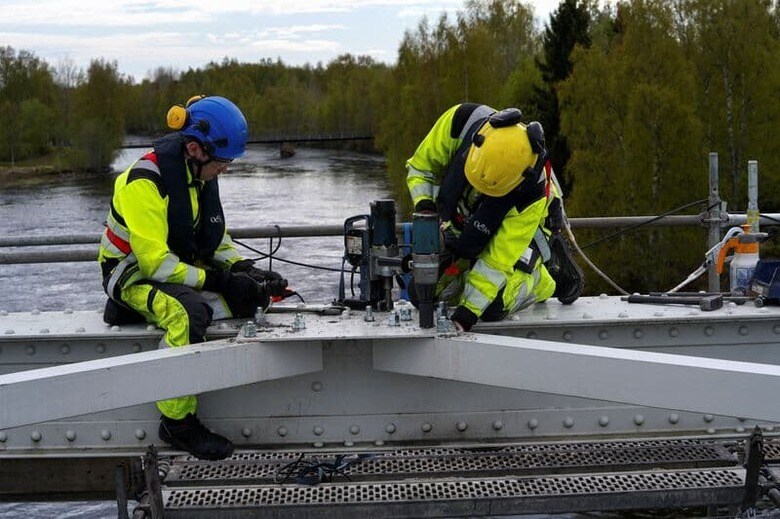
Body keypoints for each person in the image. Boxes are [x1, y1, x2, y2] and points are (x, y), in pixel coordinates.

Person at [98, 95, 289, 460]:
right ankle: (177, 424)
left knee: (251, 295)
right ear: (194, 149)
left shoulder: (197, 176)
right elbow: (154, 264)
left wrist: (244, 270)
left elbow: (214, 240)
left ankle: (145, 314)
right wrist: (216, 282)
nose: (225, 170)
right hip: (131, 274)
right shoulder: (144, 182)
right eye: (221, 163)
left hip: (175, 265)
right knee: (188, 315)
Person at [406, 103, 584, 332]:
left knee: (492, 307)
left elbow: (496, 262)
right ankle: (467, 277)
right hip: (467, 222)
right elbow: (420, 168)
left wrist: (467, 313)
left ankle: (545, 278)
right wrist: (426, 207)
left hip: (530, 231)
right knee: (421, 293)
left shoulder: (532, 192)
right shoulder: (461, 121)